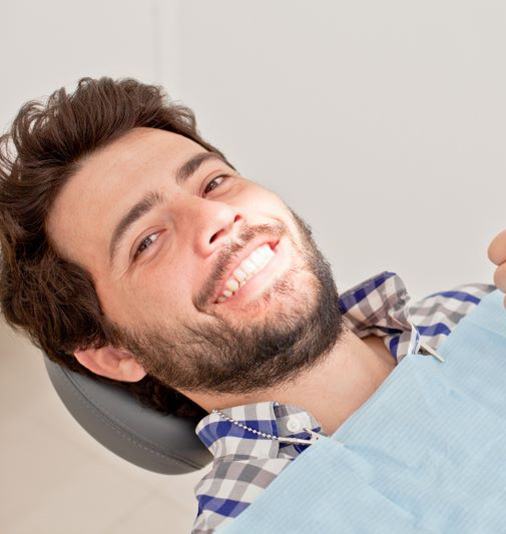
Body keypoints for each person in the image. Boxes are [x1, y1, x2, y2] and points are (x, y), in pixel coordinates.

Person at [0, 77, 504, 534]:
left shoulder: (483, 310)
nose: (218, 215)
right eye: (147, 240)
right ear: (113, 353)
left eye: (213, 182)